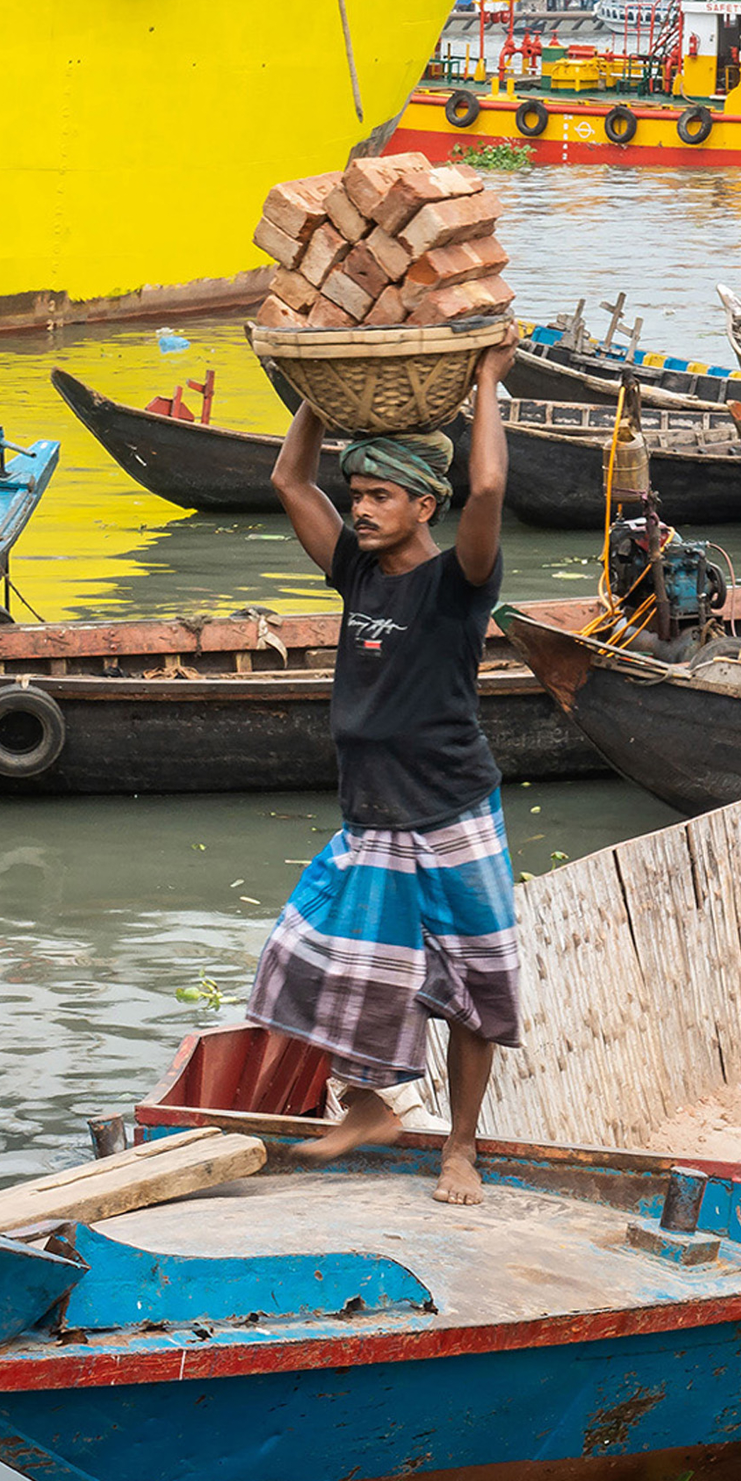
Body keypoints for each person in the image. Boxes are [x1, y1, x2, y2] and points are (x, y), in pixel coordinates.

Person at [248, 337, 521, 1206]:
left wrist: (484, 383)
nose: (359, 508)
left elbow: (487, 489)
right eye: (357, 494)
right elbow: (291, 483)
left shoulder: (458, 582)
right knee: (307, 957)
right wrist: (323, 397)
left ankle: (461, 1150)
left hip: (450, 809)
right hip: (371, 817)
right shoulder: (355, 571)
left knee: (470, 990)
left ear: (423, 503)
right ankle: (368, 1103)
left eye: (377, 496)